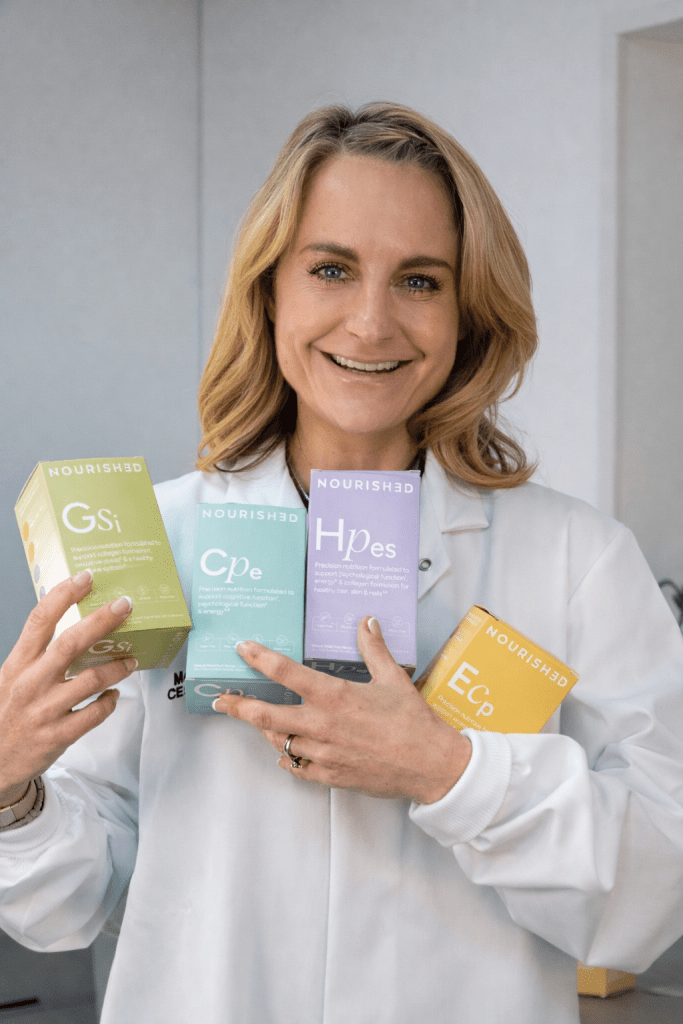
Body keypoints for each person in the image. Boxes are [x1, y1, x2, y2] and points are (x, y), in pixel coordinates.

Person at [1, 102, 683, 1024]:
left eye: (419, 280)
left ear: (467, 312)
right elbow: (72, 901)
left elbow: (653, 895)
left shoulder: (575, 559)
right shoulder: (153, 538)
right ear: (269, 292)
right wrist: (11, 787)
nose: (370, 323)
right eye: (330, 269)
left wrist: (448, 771)